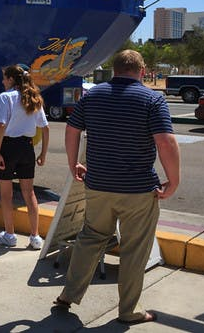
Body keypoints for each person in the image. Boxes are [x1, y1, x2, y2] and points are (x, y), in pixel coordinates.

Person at [54, 50, 180, 325]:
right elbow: (165, 141)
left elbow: (72, 130)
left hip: (98, 185)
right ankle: (128, 311)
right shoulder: (152, 99)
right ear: (142, 70)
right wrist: (173, 180)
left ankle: (67, 296)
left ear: (114, 69)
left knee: (90, 238)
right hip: (138, 190)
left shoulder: (92, 96)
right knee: (135, 249)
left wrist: (73, 163)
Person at [0, 65, 49, 250]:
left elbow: (1, 126)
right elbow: (45, 128)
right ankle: (35, 236)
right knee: (29, 193)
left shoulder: (5, 97)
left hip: (8, 147)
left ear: (12, 79)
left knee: (6, 195)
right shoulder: (33, 98)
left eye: (5, 78)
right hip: (27, 147)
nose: (2, 81)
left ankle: (10, 234)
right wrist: (43, 153)